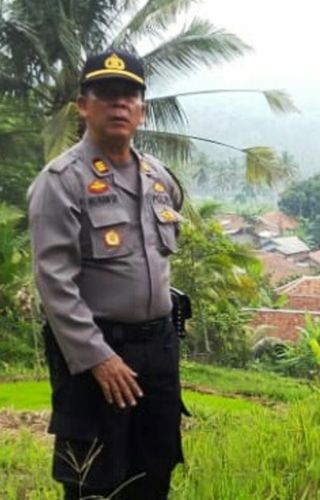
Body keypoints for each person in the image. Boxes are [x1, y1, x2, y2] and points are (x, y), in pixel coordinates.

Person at [28, 49, 185, 499]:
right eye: (106, 94)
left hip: (157, 348)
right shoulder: (60, 182)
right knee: (93, 480)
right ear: (83, 105)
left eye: (129, 95)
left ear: (142, 109)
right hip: (98, 352)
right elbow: (54, 282)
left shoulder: (159, 179)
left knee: (153, 470)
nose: (119, 104)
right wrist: (98, 358)